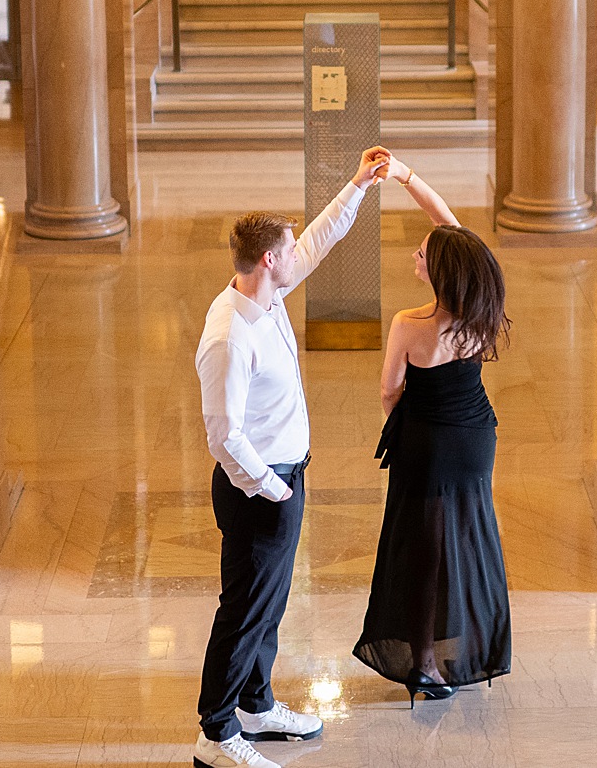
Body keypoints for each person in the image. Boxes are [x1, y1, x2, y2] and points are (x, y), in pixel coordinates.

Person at [191, 145, 391, 768]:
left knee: (270, 606)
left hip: (283, 479)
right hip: (258, 491)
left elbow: (318, 241)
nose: (296, 252)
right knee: (244, 612)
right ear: (268, 261)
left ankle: (256, 705)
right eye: (287, 248)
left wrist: (358, 183)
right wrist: (272, 488)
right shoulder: (229, 336)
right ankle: (217, 733)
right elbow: (223, 434)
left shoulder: (268, 291)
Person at [352, 156, 513, 703]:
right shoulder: (481, 304)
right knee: (469, 539)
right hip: (475, 439)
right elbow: (453, 231)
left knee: (422, 553)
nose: (414, 255)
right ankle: (470, 648)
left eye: (421, 254)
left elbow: (388, 391)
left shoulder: (409, 324)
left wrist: (402, 427)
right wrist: (405, 176)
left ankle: (424, 664)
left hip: (427, 446)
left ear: (438, 271)